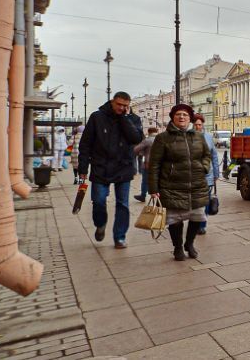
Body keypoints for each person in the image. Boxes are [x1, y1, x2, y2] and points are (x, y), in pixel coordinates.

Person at [77, 92, 143, 249]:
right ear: (112, 102)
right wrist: (83, 169)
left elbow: (136, 138)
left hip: (124, 167)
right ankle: (100, 224)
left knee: (123, 204)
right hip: (101, 167)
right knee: (98, 201)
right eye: (119, 104)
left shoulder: (132, 119)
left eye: (125, 106)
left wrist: (124, 118)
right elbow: (85, 144)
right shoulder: (97, 117)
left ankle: (119, 237)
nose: (122, 108)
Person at [148, 104, 211, 261]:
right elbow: (154, 164)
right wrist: (153, 188)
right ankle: (177, 248)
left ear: (190, 118)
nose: (181, 117)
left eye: (185, 114)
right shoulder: (163, 138)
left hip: (196, 184)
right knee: (175, 219)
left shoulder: (198, 136)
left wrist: (203, 167)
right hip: (172, 186)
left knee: (197, 217)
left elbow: (207, 155)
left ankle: (189, 244)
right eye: (178, 115)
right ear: (172, 118)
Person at [191, 114, 220, 235]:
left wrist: (216, 173)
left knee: (206, 201)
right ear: (192, 125)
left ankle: (202, 225)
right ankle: (195, 222)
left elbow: (214, 155)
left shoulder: (208, 137)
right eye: (196, 124)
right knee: (196, 201)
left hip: (208, 175)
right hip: (193, 175)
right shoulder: (189, 137)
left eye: (200, 124)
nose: (198, 127)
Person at [133, 127, 157, 202]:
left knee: (145, 181)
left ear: (149, 132)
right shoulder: (161, 139)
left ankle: (143, 196)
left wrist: (141, 153)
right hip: (160, 164)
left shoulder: (147, 140)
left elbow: (136, 149)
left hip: (148, 164)